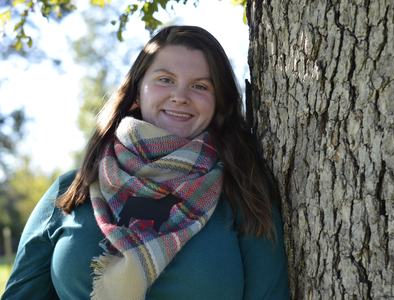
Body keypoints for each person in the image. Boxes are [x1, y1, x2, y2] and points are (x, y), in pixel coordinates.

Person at [2, 25, 289, 300]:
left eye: (200, 86)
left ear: (218, 102)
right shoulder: (71, 190)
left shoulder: (244, 196)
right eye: (165, 80)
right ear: (137, 92)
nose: (180, 96)